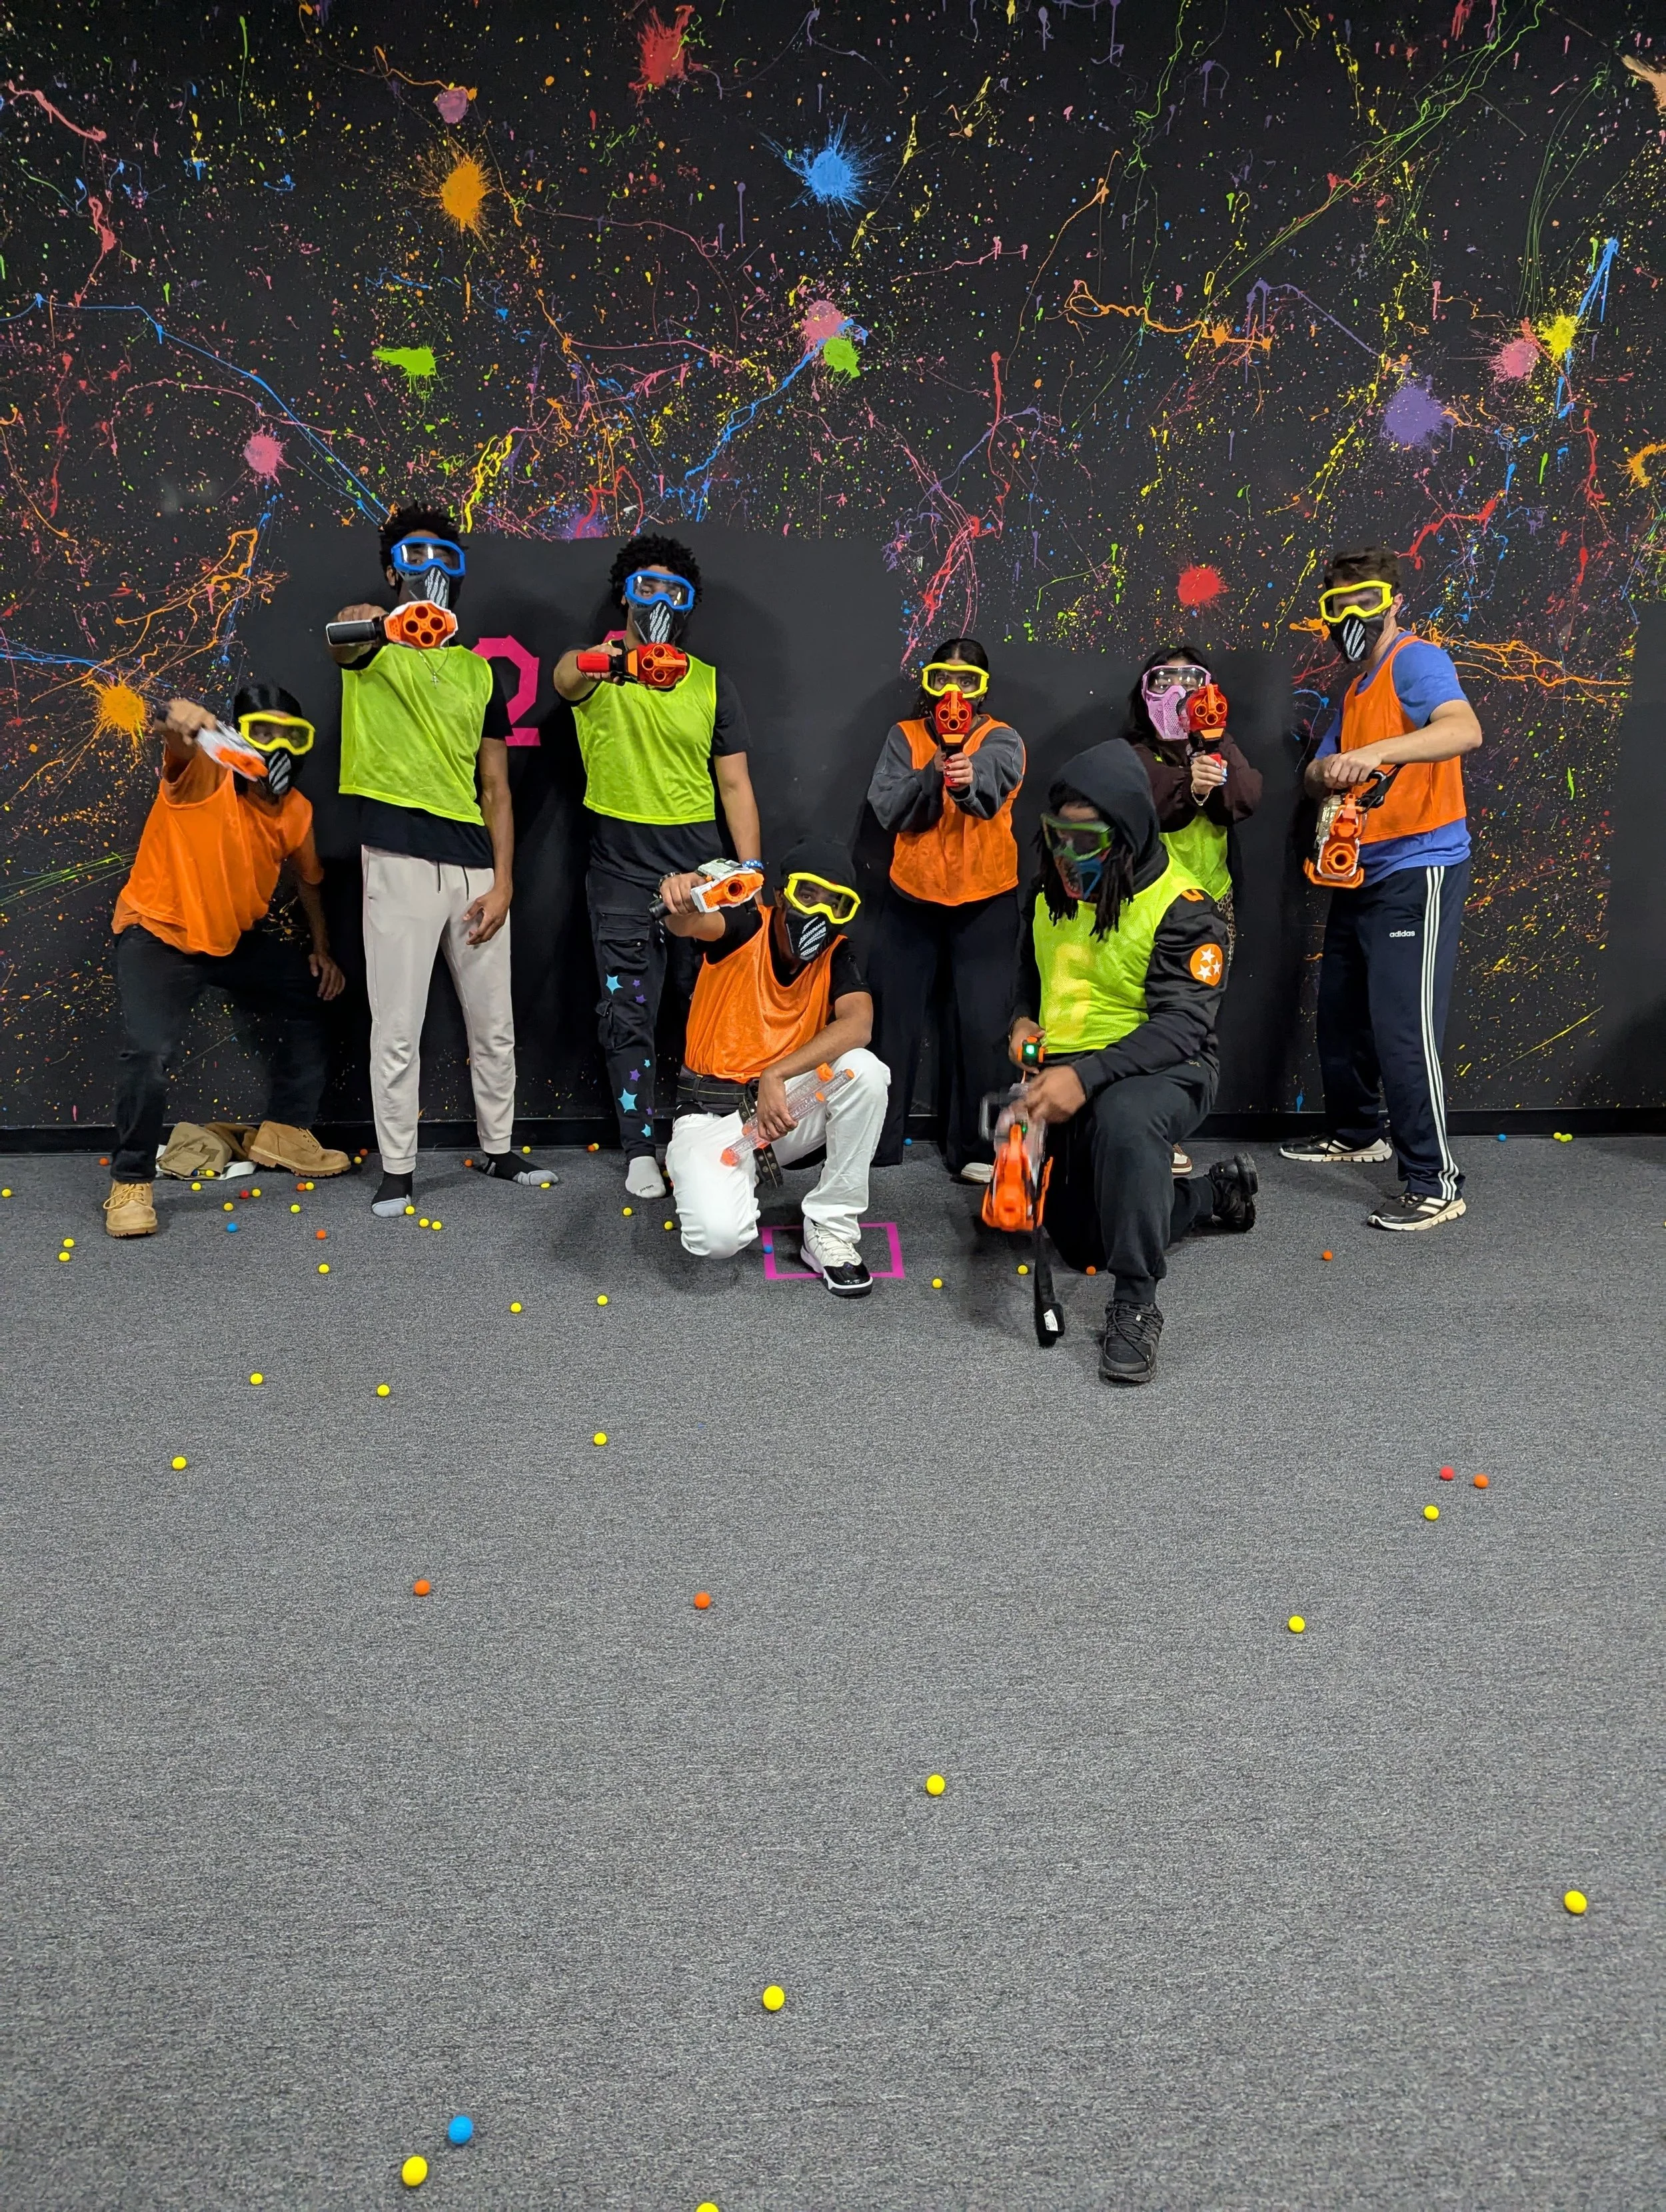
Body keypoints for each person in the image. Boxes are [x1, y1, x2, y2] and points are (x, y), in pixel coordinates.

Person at [1008, 742, 1257, 1384]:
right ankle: (1209, 1196)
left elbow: (1183, 1025)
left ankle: (1138, 1302)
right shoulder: (1051, 891)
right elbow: (1026, 974)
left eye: (1085, 841)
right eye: (1058, 837)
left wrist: (1084, 1077)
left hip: (1165, 1067)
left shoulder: (1186, 908)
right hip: (1070, 1064)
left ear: (1127, 835)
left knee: (1126, 1119)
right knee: (1083, 1243)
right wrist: (1021, 1023)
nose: (1067, 857)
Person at [329, 503, 550, 1217]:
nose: (429, 567)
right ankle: (398, 1168)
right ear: (394, 568)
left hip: (474, 868)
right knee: (396, 1025)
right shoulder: (369, 643)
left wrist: (506, 881)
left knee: (495, 1022)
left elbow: (496, 786)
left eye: (443, 554)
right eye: (414, 554)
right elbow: (342, 645)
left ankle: (499, 1145)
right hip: (397, 859)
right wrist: (368, 619)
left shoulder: (480, 673)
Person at [552, 534, 764, 1201]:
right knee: (627, 1013)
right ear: (625, 593)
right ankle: (638, 1148)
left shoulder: (708, 681)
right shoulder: (595, 671)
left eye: (676, 590)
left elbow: (735, 786)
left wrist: (749, 871)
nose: (662, 599)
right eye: (648, 586)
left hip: (700, 873)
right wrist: (605, 659)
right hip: (618, 870)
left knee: (699, 1010)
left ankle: (698, 1135)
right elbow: (563, 678)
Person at [1279, 544, 1482, 1229]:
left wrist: (1371, 755)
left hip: (1418, 865)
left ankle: (1434, 1181)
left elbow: (1462, 729)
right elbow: (1314, 772)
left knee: (1403, 1027)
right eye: (1338, 606)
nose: (1351, 616)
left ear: (1393, 601)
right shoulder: (1355, 687)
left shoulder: (1415, 661)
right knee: (1339, 1011)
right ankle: (1356, 1130)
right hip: (1361, 866)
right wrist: (1328, 772)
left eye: (1365, 600)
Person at [103, 684, 349, 1238]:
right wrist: (177, 719)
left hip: (233, 941)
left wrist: (322, 950)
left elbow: (310, 882)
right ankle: (130, 1182)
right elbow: (171, 731)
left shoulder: (296, 811)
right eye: (264, 732)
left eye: (291, 735)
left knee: (311, 989)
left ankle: (285, 1131)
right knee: (147, 1052)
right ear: (237, 737)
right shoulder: (201, 776)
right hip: (159, 935)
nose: (278, 747)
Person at [661, 837, 888, 1297]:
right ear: (783, 893)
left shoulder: (836, 952)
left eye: (836, 904)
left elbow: (858, 1024)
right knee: (717, 1238)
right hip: (710, 1118)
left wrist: (777, 1073)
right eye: (809, 895)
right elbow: (688, 923)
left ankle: (830, 1228)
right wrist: (680, 892)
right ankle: (718, 1180)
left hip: (779, 1114)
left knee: (864, 1071)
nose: (820, 914)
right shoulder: (745, 925)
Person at [866, 638, 1024, 1184]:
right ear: (927, 685)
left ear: (983, 690)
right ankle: (877, 1142)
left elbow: (994, 784)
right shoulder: (903, 737)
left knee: (984, 1031)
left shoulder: (1002, 738)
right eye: (941, 679)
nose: (953, 694)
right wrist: (933, 772)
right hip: (912, 898)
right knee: (891, 1026)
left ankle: (978, 1148)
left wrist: (967, 775)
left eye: (967, 681)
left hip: (986, 901)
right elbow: (889, 807)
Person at [1124, 642, 1263, 1175]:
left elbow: (1248, 796)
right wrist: (1190, 787)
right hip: (1152, 909)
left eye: (1190, 680)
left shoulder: (1218, 744)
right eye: (1164, 681)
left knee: (1196, 1021)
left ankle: (1173, 1127)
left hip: (1211, 906)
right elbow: (1145, 802)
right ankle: (1147, 1125)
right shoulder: (1135, 752)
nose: (1178, 692)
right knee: (1146, 1014)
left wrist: (1214, 769)